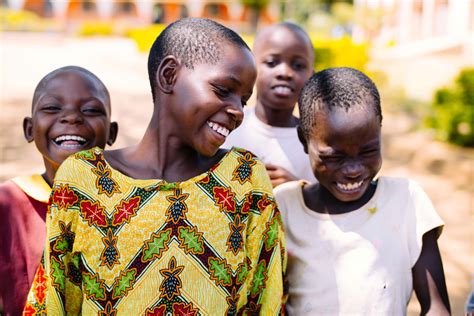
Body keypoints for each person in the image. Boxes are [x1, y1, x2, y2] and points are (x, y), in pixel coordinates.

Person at [25, 18, 286, 315]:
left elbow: (267, 298)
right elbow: (55, 300)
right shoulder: (83, 179)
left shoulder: (245, 179)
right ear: (169, 75)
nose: (238, 111)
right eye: (224, 89)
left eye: (244, 99)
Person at [274, 67, 450, 315]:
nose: (354, 170)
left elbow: (436, 308)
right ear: (304, 140)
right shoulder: (284, 207)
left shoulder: (406, 201)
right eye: (334, 157)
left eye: (368, 151)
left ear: (380, 131)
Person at [0, 65, 118, 315]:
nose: (72, 118)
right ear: (29, 129)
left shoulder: (130, 207)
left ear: (112, 132)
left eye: (90, 110)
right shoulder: (7, 205)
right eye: (52, 108)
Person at [224, 22, 316, 187]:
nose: (285, 73)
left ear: (312, 75)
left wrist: (298, 189)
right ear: (251, 67)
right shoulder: (228, 125)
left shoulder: (315, 143)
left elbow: (327, 203)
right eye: (272, 62)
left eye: (298, 66)